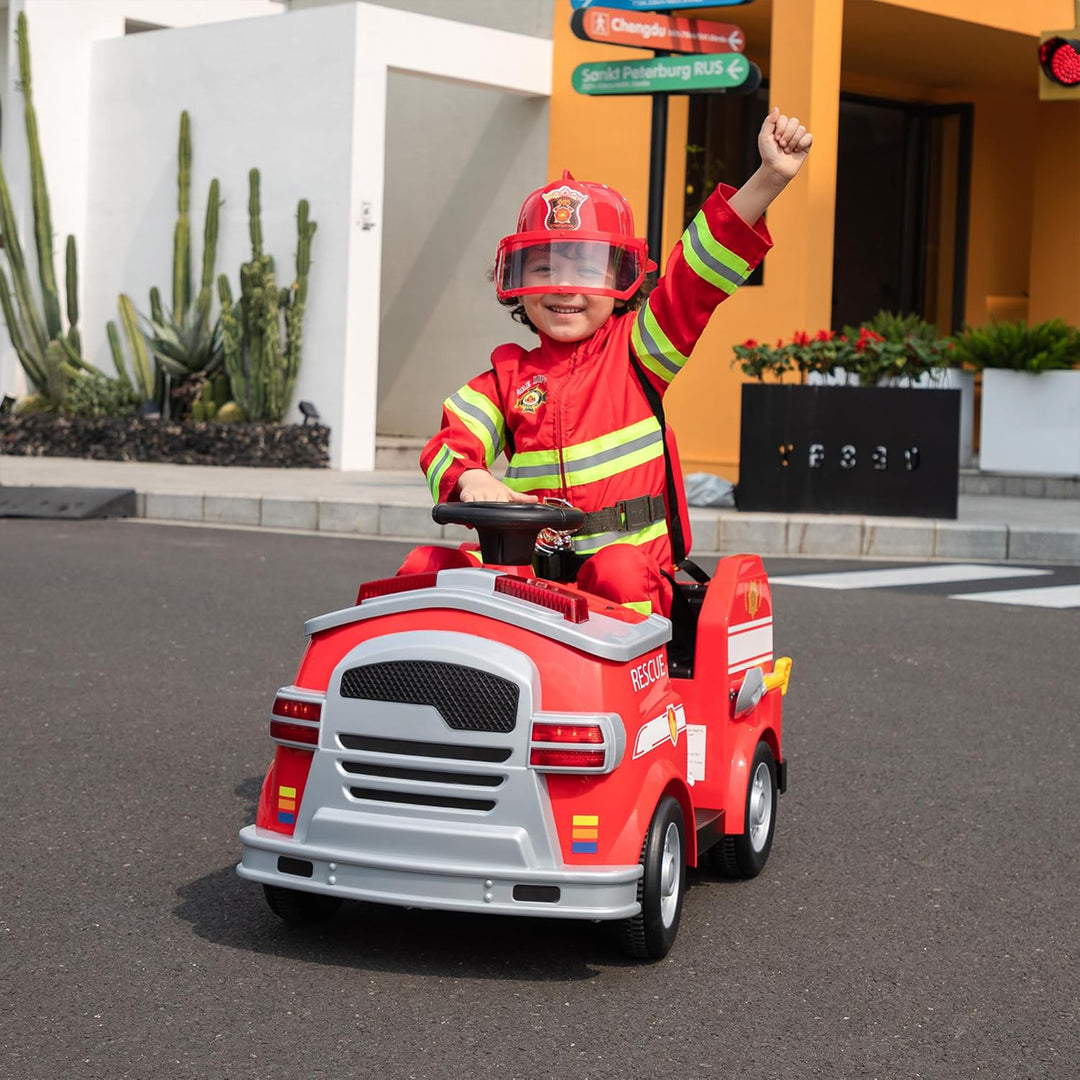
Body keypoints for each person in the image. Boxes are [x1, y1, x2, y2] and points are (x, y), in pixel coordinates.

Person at [402, 107, 813, 616]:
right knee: (426, 564)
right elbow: (450, 443)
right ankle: (440, 691)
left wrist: (770, 176)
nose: (564, 286)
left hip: (631, 587)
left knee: (613, 569)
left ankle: (627, 687)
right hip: (534, 580)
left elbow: (695, 276)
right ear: (517, 282)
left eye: (587, 268)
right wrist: (473, 479)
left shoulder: (642, 349)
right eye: (545, 266)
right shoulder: (506, 379)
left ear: (622, 280)